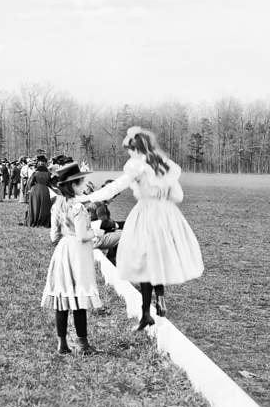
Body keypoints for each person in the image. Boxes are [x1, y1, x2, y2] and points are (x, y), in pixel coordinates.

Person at [78, 126, 203, 330]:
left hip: (146, 214)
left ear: (135, 150)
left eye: (129, 150)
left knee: (143, 260)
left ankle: (146, 313)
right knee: (157, 257)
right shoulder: (163, 164)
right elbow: (178, 195)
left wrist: (87, 198)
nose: (128, 154)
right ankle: (160, 297)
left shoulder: (136, 165)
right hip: (166, 216)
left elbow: (114, 188)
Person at [41, 162, 100, 355]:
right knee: (79, 296)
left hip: (63, 249)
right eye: (81, 182)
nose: (84, 185)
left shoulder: (57, 205)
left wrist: (65, 239)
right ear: (74, 185)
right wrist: (96, 232)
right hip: (77, 252)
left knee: (63, 297)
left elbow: (53, 236)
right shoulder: (78, 208)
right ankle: (83, 344)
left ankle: (62, 344)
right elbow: (83, 235)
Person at [26, 156, 52, 227]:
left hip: (35, 190)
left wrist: (29, 190)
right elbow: (51, 184)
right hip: (45, 190)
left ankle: (34, 220)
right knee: (44, 206)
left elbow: (30, 183)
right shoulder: (48, 173)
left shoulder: (35, 173)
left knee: (35, 205)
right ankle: (43, 221)